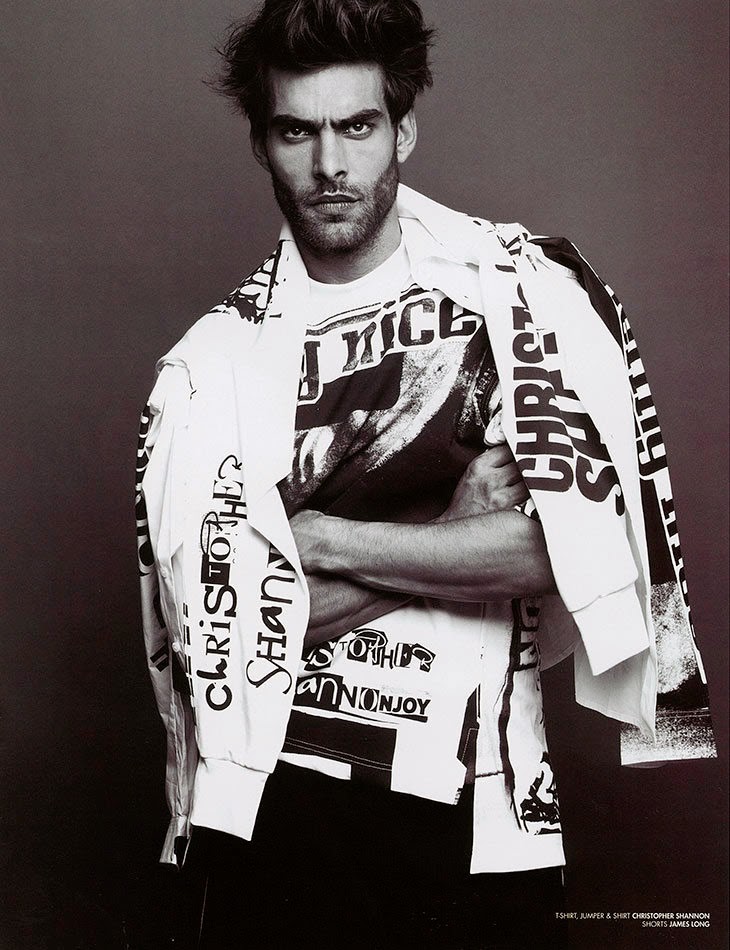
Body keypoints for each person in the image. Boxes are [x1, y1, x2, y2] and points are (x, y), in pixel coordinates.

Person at [135, 2, 715, 947]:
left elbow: (562, 551)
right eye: (298, 132)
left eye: (358, 126)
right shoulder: (210, 367)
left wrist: (314, 541)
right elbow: (225, 631)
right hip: (279, 825)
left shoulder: (511, 303)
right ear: (263, 145)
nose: (330, 164)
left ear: (403, 129)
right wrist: (450, 529)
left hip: (480, 826)